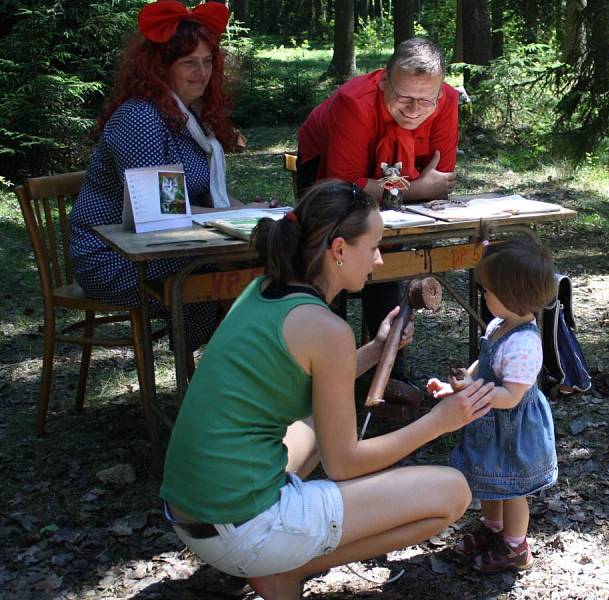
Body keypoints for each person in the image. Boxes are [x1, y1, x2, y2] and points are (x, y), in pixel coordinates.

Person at [160, 180, 497, 600]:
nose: (377, 258)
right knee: (453, 492)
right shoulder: (327, 329)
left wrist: (376, 350)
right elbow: (345, 464)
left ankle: (271, 561)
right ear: (338, 250)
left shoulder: (263, 290)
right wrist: (437, 422)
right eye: (372, 246)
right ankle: (284, 570)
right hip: (244, 530)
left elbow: (303, 375)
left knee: (323, 418)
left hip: (192, 514)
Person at [69, 0, 238, 351]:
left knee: (263, 265)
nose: (202, 72)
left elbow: (203, 198)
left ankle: (226, 381)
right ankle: (216, 383)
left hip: (166, 247)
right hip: (115, 258)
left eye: (208, 61)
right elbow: (162, 213)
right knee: (233, 279)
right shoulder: (141, 119)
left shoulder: (191, 118)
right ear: (160, 68)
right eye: (189, 63)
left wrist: (262, 213)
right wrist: (233, 218)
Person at [296, 37, 460, 375]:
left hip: (383, 183)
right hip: (324, 174)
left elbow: (440, 181)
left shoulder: (447, 101)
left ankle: (387, 373)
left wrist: (404, 190)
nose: (415, 110)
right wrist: (415, 188)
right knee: (332, 257)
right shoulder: (352, 103)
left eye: (426, 100)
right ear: (384, 81)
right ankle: (324, 367)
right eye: (404, 98)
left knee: (387, 261)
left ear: (440, 91)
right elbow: (340, 187)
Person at [427, 238, 559, 572]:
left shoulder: (525, 345)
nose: (483, 296)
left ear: (512, 296)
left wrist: (474, 389)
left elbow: (512, 396)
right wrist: (456, 386)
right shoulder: (500, 325)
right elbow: (484, 360)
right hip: (491, 426)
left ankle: (516, 547)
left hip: (512, 430)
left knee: (513, 488)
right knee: (490, 478)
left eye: (488, 291)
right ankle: (493, 529)